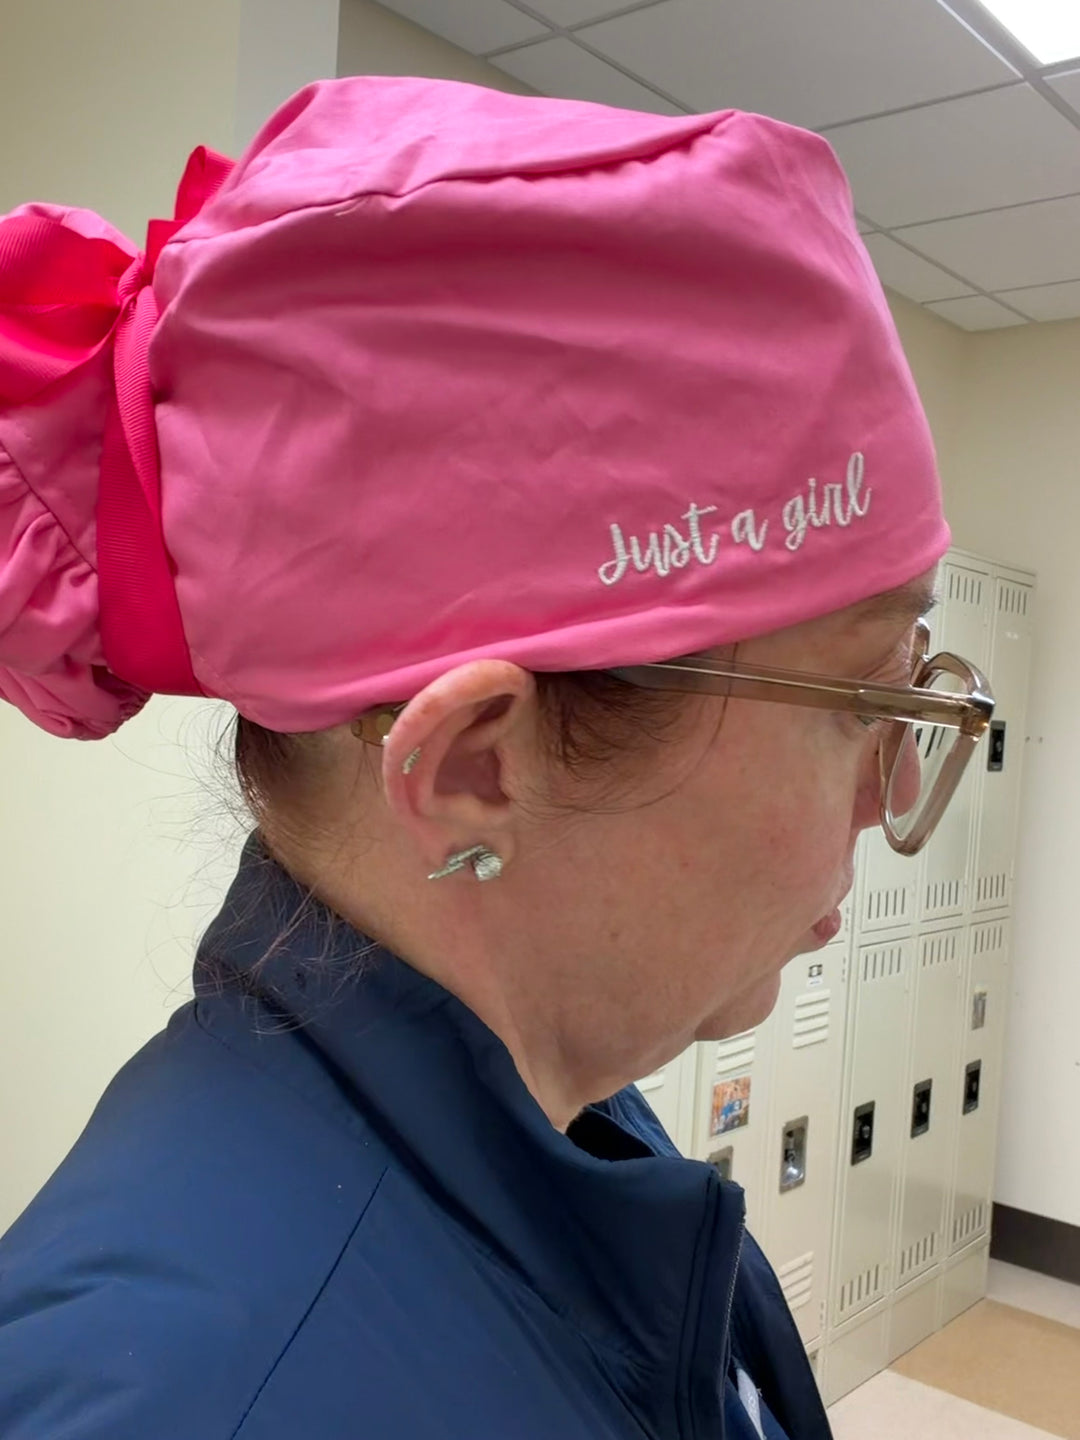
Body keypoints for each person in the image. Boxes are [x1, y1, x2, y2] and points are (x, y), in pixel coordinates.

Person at [0, 75, 992, 1439]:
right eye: (862, 698)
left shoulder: (580, 1140)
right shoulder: (189, 1400)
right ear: (474, 766)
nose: (889, 797)